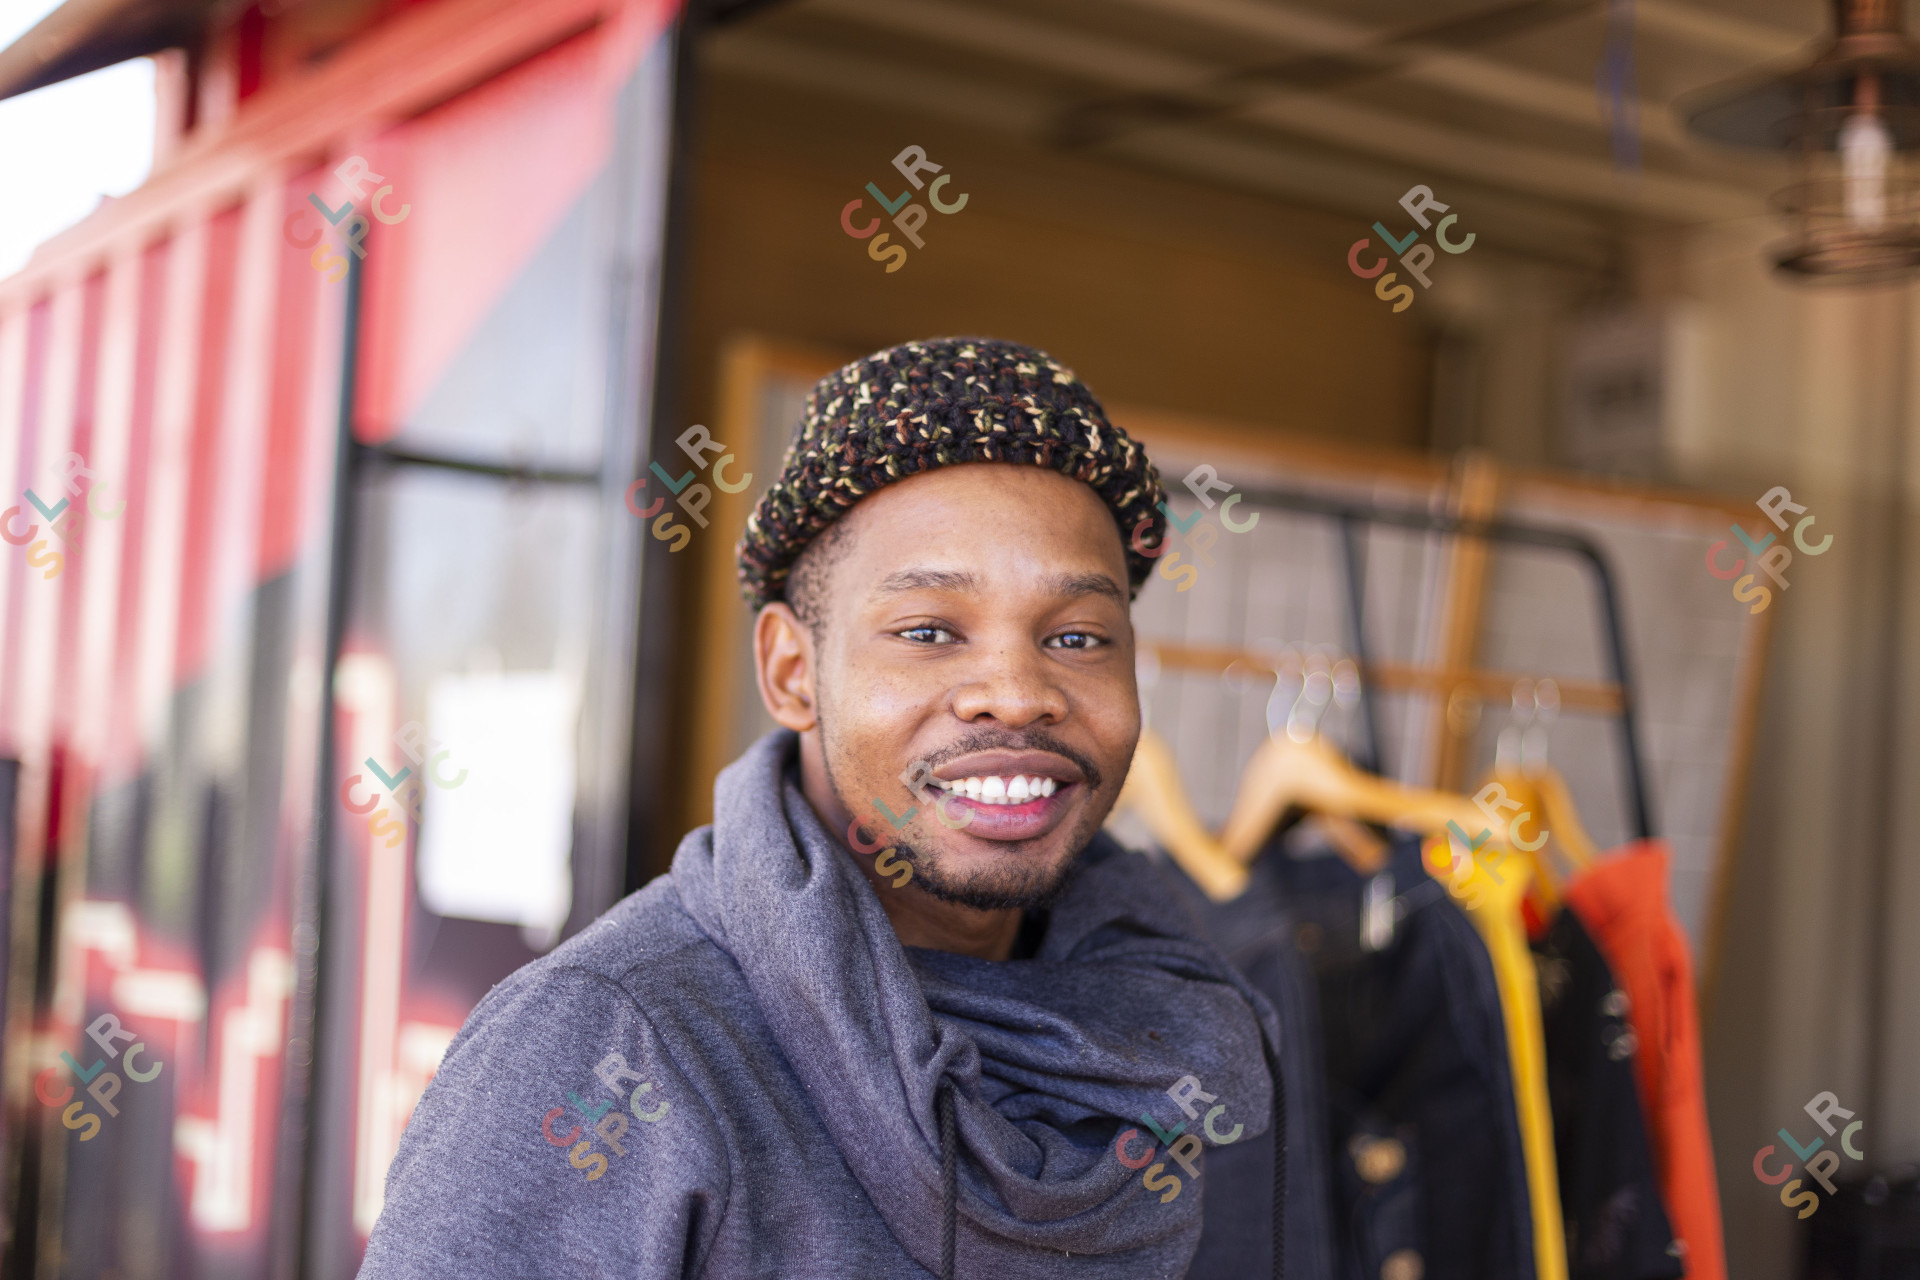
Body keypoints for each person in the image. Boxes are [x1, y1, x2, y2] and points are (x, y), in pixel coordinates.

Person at [358, 337, 1281, 1278]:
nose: (1017, 692)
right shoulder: (613, 1043)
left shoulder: (1179, 1030)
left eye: (1079, 636)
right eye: (927, 631)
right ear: (793, 673)